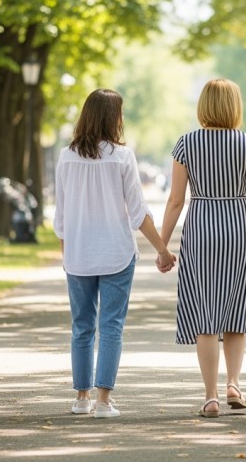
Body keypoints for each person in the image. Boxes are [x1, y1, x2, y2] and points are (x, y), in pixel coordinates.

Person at [160, 78, 246, 418]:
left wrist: (162, 245)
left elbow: (175, 201)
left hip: (200, 226)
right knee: (236, 312)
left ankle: (210, 396)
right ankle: (234, 383)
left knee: (206, 315)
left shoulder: (186, 144)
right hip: (239, 228)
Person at [54, 89, 176, 419]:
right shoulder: (122, 156)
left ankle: (81, 398)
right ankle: (104, 402)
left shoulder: (66, 157)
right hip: (117, 254)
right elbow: (138, 213)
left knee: (81, 326)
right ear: (113, 117)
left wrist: (68, 257)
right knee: (111, 327)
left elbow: (60, 217)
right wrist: (163, 250)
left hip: (78, 256)